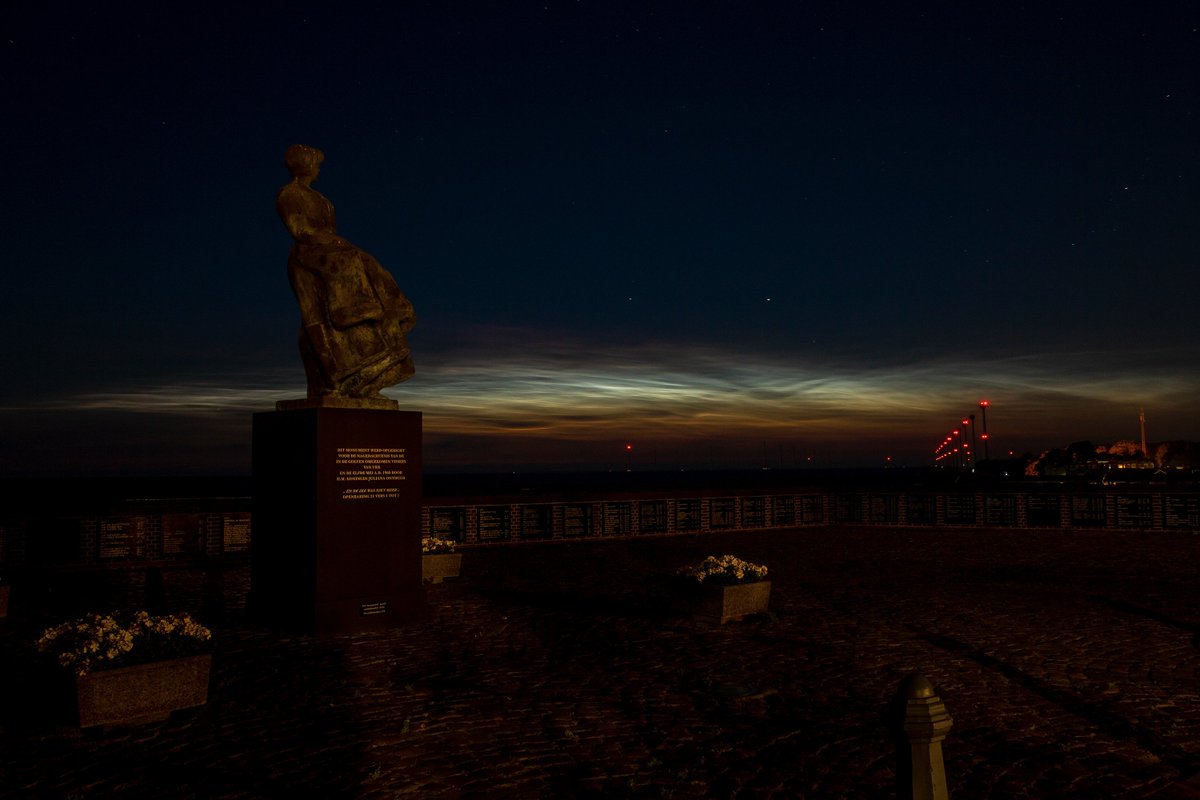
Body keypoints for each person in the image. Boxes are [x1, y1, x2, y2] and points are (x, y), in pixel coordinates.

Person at [276, 144, 415, 400]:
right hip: (310, 259)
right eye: (316, 164)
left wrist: (339, 244)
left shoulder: (322, 199)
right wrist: (338, 244)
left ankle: (363, 375)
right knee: (318, 319)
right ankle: (333, 374)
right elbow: (301, 232)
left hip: (330, 253)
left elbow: (330, 233)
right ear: (305, 165)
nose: (318, 170)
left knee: (368, 264)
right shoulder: (289, 194)